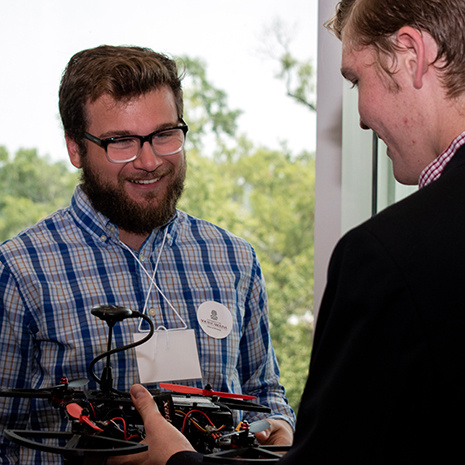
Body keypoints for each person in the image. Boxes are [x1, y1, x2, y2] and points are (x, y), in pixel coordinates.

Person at [127, 0, 465, 463]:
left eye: (355, 80)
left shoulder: (390, 255)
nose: (361, 117)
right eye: (122, 141)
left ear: (410, 54)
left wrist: (176, 461)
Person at [0, 45, 295, 465]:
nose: (150, 160)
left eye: (164, 134)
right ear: (75, 148)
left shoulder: (233, 259)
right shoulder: (21, 270)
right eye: (121, 141)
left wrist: (279, 429)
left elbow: (265, 396)